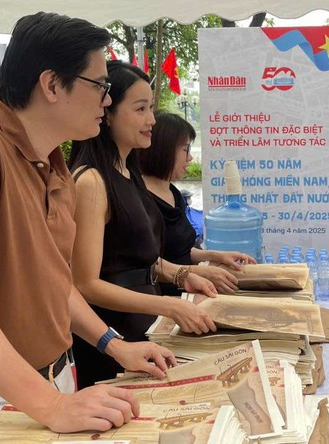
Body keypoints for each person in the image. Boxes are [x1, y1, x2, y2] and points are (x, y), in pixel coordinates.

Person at [0, 12, 176, 443]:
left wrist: (113, 344)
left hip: (53, 387)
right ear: (52, 85)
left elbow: (55, 281)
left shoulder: (54, 168)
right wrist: (49, 404)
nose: (107, 101)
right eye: (101, 86)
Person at [68, 62, 219, 389]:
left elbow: (140, 259)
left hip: (144, 331)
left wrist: (184, 275)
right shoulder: (92, 181)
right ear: (107, 112)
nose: (151, 120)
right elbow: (86, 284)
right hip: (112, 340)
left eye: (151, 108)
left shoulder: (128, 173)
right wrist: (168, 304)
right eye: (140, 109)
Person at [138, 112, 256, 296]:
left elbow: (180, 250)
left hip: (191, 288)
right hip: (166, 298)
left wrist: (216, 256)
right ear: (164, 149)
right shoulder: (139, 198)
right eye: (185, 149)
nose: (190, 158)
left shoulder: (173, 193)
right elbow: (147, 264)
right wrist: (201, 272)